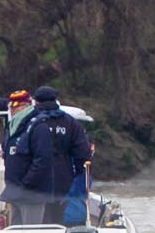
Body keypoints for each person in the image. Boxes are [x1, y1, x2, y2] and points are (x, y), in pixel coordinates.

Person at [7, 86, 92, 224]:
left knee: (36, 223)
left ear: (36, 102)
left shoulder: (30, 122)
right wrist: (74, 174)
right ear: (56, 100)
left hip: (35, 183)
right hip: (62, 179)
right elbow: (82, 153)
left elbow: (18, 154)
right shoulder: (71, 122)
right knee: (56, 221)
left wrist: (24, 181)